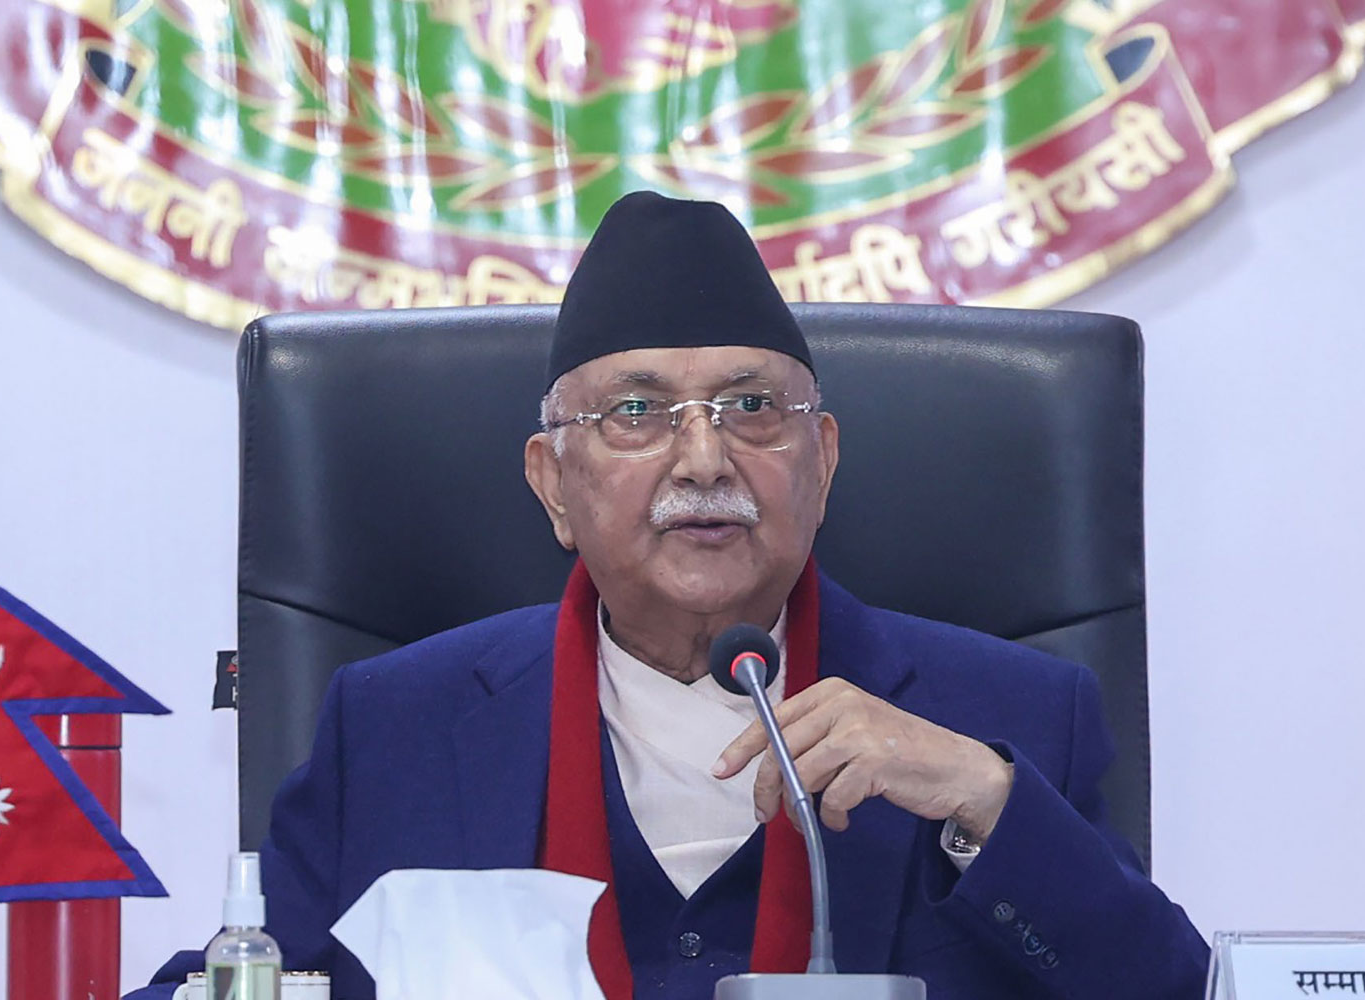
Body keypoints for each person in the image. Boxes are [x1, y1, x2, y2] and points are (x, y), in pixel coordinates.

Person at [128, 191, 1208, 999]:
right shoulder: (396, 727)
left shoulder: (1011, 718)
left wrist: (985, 800)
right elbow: (242, 975)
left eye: (752, 408)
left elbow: (1171, 989)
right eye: (637, 414)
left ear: (823, 462)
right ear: (554, 484)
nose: (704, 460)